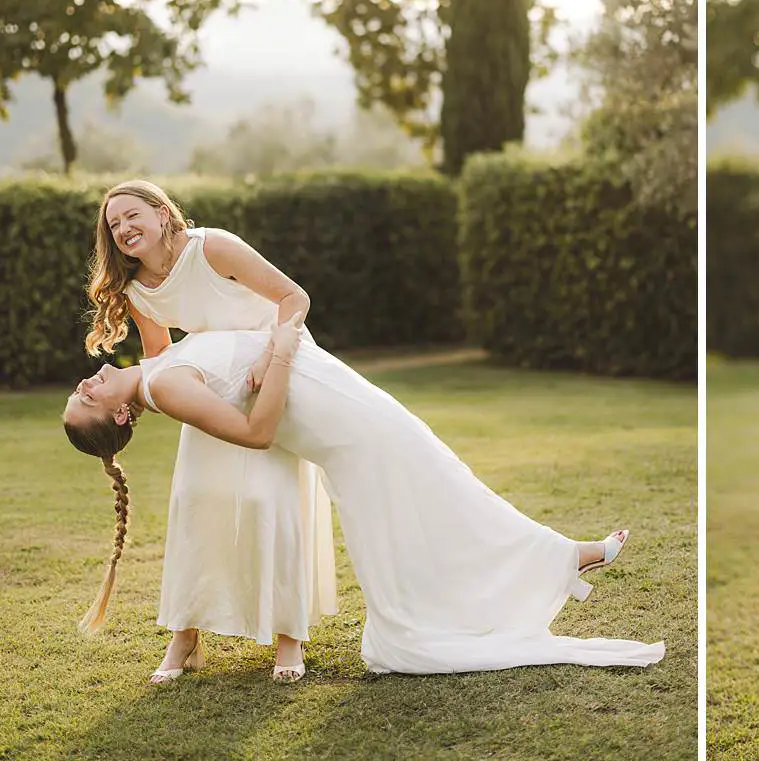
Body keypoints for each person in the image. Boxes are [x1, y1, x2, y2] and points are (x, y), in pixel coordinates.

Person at [63, 315, 666, 675]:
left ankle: (557, 558)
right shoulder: (164, 388)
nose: (87, 381)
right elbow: (258, 432)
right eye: (88, 398)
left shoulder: (158, 366)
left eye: (80, 388)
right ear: (120, 413)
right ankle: (564, 556)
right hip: (341, 429)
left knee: (438, 491)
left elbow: (173, 317)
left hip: (335, 396)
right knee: (443, 485)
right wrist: (277, 353)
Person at [85, 181, 334, 683]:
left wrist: (270, 357)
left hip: (270, 374)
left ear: (161, 213)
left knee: (271, 499)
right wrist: (174, 397)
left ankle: (290, 637)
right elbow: (161, 357)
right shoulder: (136, 291)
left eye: (132, 216)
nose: (124, 229)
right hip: (207, 386)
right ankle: (186, 636)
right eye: (114, 225)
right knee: (196, 501)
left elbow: (294, 297)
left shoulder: (211, 246)